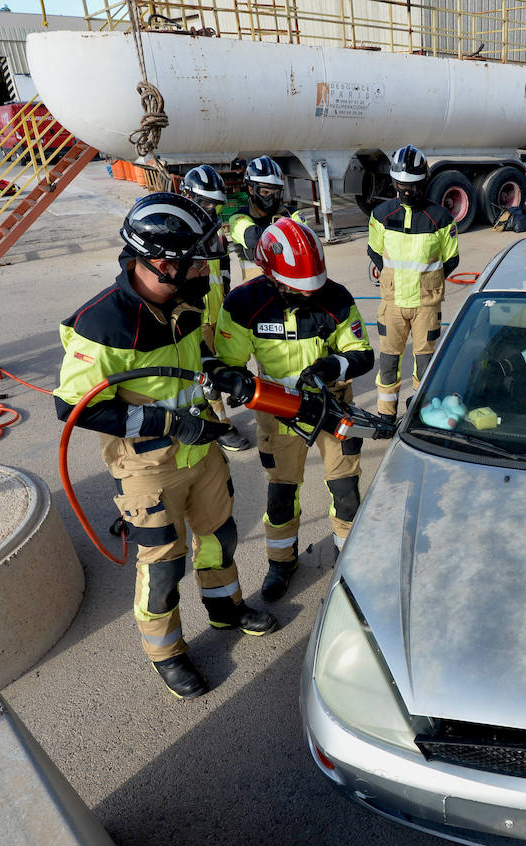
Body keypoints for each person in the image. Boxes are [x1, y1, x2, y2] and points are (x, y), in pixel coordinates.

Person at [54, 192, 278, 699]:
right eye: (194, 261)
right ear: (159, 263)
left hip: (203, 455)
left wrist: (222, 373)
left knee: (219, 537)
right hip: (148, 469)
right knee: (163, 566)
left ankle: (225, 609)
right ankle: (167, 653)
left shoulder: (182, 301)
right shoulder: (102, 325)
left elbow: (194, 358)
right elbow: (73, 408)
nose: (204, 269)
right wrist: (168, 423)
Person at [215, 218, 374, 600]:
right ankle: (281, 563)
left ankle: (347, 558)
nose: (308, 295)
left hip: (333, 406)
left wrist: (330, 366)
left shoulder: (334, 297)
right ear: (270, 274)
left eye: (313, 287)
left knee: (345, 486)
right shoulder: (243, 304)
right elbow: (226, 362)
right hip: (278, 410)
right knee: (282, 494)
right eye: (297, 288)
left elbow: (362, 354)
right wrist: (237, 383)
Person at [366, 144, 459, 420]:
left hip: (426, 307)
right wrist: (393, 281)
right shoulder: (381, 215)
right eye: (402, 185)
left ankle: (420, 412)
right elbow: (374, 251)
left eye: (414, 186)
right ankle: (385, 415)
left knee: (425, 363)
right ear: (394, 182)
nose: (408, 191)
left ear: (425, 182)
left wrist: (429, 283)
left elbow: (451, 259)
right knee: (389, 362)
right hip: (392, 304)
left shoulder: (440, 218)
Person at [181, 164, 252, 453]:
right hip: (192, 318)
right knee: (203, 376)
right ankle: (220, 426)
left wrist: (227, 307)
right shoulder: (180, 233)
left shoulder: (216, 235)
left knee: (223, 365)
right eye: (205, 202)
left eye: (216, 204)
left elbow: (223, 276)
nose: (211, 209)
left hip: (217, 315)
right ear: (189, 196)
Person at [229, 155, 295, 281]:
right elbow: (253, 237)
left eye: (275, 193)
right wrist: (286, 232)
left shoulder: (292, 213)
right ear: (251, 189)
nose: (271, 198)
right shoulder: (238, 218)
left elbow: (304, 234)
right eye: (265, 192)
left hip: (290, 286)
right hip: (257, 292)